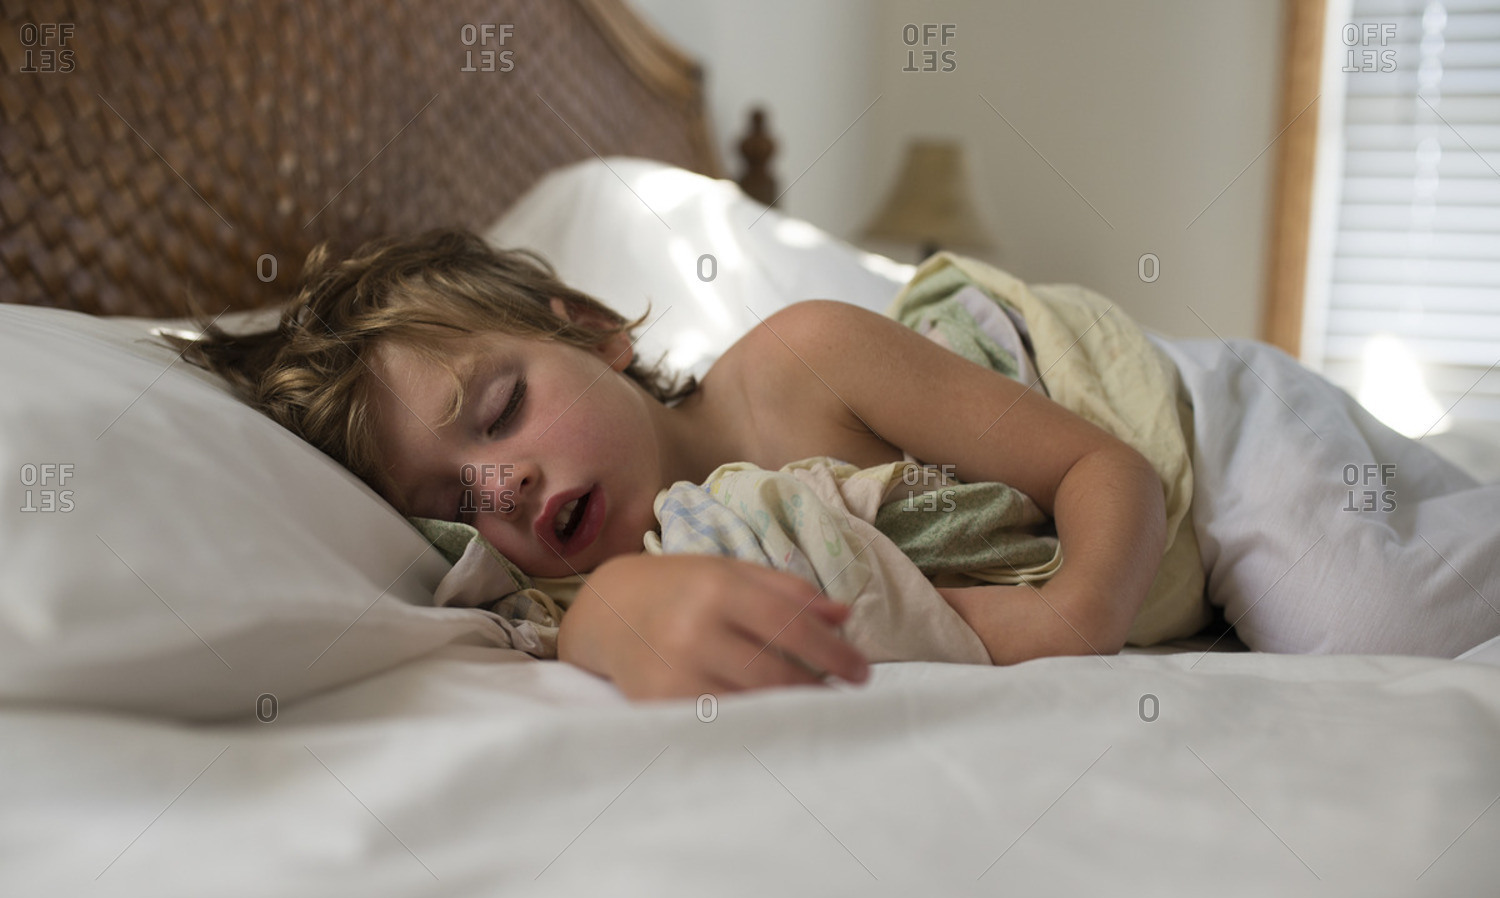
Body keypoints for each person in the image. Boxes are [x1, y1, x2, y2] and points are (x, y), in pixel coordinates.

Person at [183, 228, 1167, 700]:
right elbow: (594, 629)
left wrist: (1074, 614)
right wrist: (608, 615)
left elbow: (1103, 466)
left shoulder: (807, 361)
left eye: (502, 407)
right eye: (453, 497)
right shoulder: (600, 576)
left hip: (1178, 414)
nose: (504, 482)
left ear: (599, 332)